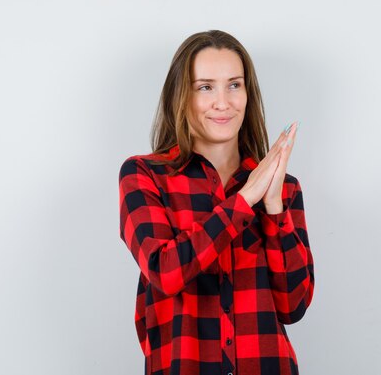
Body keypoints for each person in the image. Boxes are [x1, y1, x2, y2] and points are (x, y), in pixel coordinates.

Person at [118, 29, 315, 375]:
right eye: (205, 87)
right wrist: (244, 201)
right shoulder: (144, 175)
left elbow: (293, 305)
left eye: (234, 85)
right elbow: (166, 272)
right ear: (182, 96)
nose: (222, 102)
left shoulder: (284, 189)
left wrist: (271, 207)